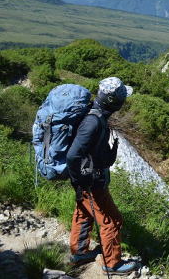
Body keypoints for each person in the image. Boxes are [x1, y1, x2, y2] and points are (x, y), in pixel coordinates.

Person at [66, 77, 140, 275]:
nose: (124, 102)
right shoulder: (93, 122)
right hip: (92, 181)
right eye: (122, 98)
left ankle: (79, 252)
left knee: (84, 212)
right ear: (113, 101)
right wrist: (81, 180)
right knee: (112, 219)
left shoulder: (94, 114)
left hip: (86, 179)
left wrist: (79, 180)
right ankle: (112, 263)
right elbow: (73, 155)